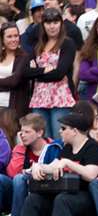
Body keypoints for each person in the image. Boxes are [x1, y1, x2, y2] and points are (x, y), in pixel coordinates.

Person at [3, 113, 98, 216]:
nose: (60, 131)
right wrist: (37, 167)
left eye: (64, 128)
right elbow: (53, 166)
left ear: (75, 131)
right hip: (65, 194)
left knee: (62, 199)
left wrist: (68, 163)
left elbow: (91, 175)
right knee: (34, 200)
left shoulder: (93, 148)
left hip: (87, 198)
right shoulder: (67, 148)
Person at [25, 8, 77, 139]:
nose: (52, 26)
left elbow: (59, 73)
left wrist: (36, 73)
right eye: (48, 23)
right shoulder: (38, 45)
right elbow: (25, 72)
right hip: (39, 98)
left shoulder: (67, 43)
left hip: (60, 97)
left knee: (59, 138)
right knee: (41, 139)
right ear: (43, 25)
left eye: (55, 22)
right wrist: (43, 70)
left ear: (61, 23)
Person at [0, 114, 51, 216]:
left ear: (40, 133)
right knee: (9, 178)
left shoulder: (52, 147)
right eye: (21, 131)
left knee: (19, 178)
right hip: (18, 192)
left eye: (27, 132)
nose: (22, 135)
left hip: (42, 191)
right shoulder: (21, 148)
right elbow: (11, 173)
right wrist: (21, 148)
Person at [0, 23, 29, 122]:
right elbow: (10, 81)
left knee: (8, 137)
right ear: (2, 39)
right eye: (9, 36)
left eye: (16, 36)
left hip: (13, 108)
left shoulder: (23, 57)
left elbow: (14, 81)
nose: (13, 40)